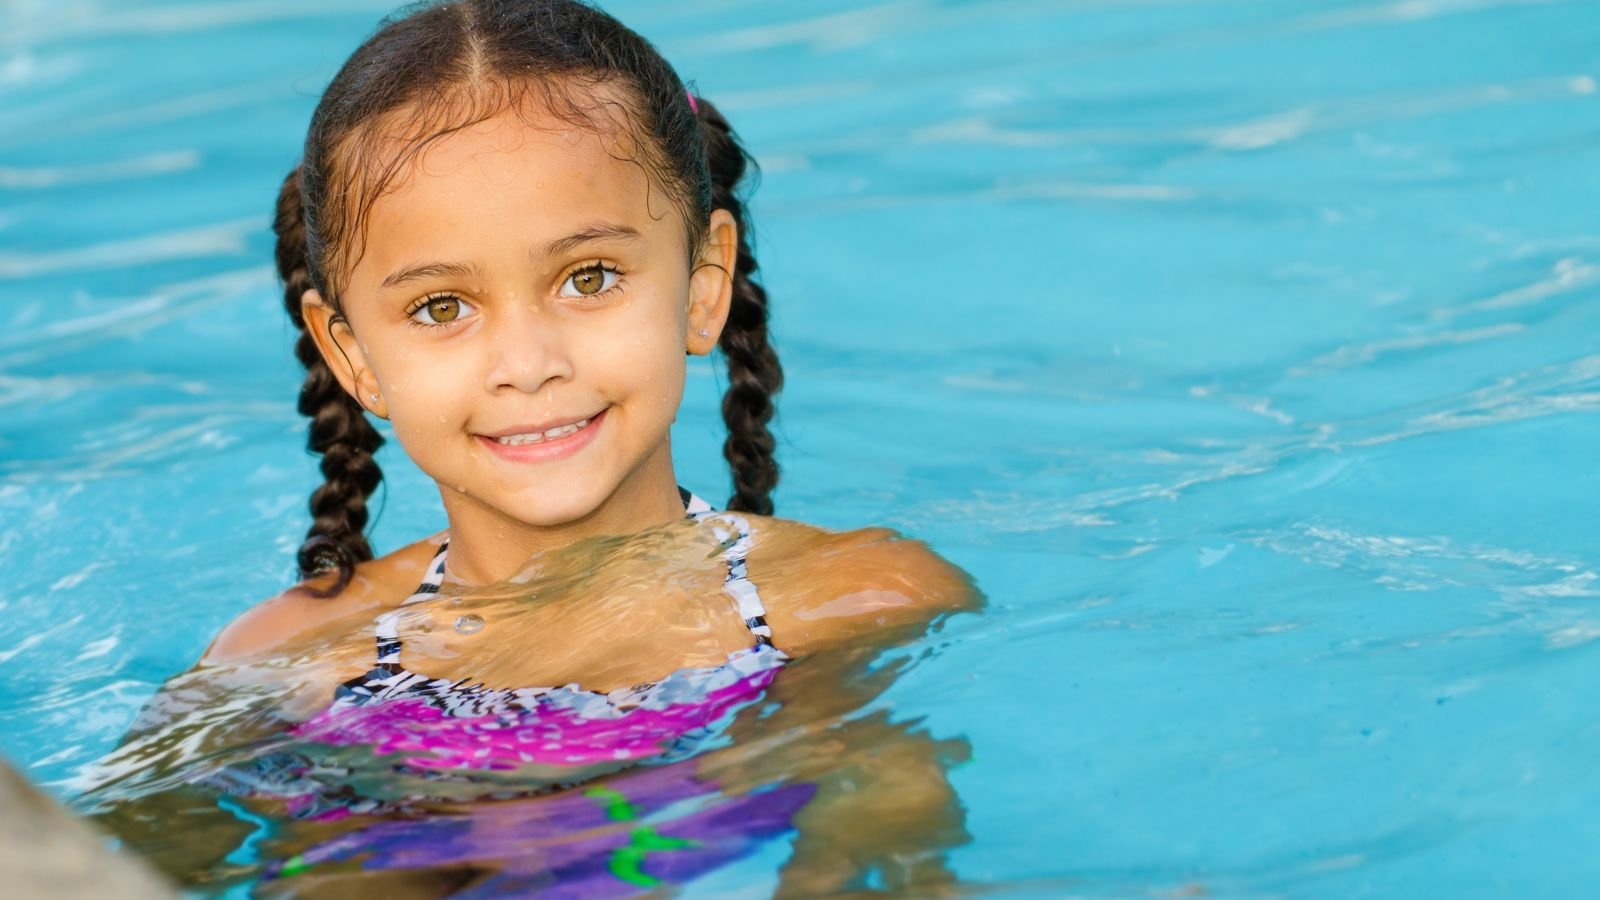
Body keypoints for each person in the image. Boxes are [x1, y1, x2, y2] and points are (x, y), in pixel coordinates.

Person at [91, 0, 981, 894]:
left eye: (587, 278)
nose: (527, 365)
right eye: (442, 307)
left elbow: (884, 849)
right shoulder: (288, 664)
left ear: (702, 286)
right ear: (353, 354)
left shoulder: (846, 602)